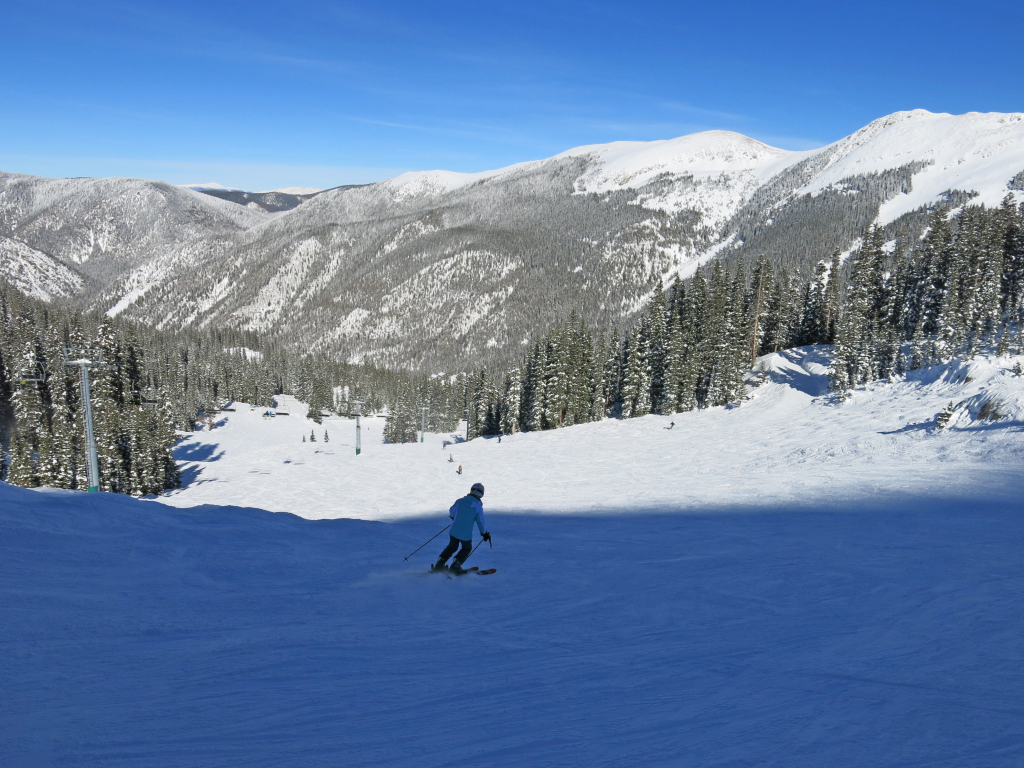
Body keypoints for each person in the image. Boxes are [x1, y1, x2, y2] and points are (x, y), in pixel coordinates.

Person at [434, 483, 490, 574]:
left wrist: (453, 517)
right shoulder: (478, 506)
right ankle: (456, 565)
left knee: (452, 547)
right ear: (481, 494)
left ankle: (439, 564)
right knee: (466, 548)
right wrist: (484, 533)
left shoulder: (460, 501)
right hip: (465, 534)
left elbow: (452, 511)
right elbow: (480, 521)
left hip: (454, 531)